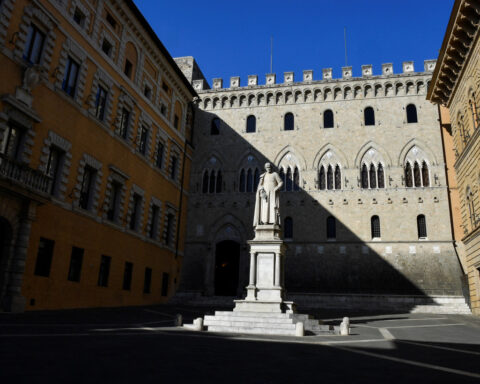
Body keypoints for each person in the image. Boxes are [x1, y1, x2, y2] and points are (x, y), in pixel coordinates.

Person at [253, 163, 283, 227]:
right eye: (267, 167)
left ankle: (274, 221)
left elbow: (280, 182)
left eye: (269, 167)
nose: (268, 168)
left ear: (271, 167)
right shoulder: (263, 176)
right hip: (265, 194)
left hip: (273, 193)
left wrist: (277, 188)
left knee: (273, 207)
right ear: (265, 168)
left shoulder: (275, 174)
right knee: (265, 207)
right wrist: (261, 190)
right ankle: (265, 221)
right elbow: (260, 185)